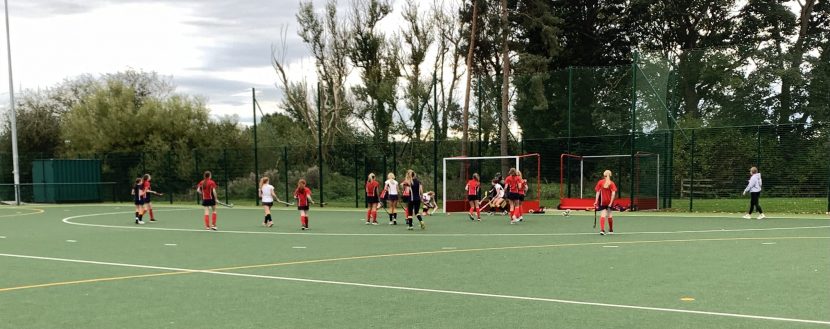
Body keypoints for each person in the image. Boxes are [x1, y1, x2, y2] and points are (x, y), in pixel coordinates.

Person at [594, 170, 617, 235]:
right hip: (609, 201)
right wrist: (610, 203)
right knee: (609, 215)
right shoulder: (612, 183)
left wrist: (596, 201)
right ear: (610, 175)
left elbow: (597, 192)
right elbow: (613, 194)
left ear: (604, 175)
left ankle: (602, 230)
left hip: (603, 201)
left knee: (603, 214)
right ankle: (611, 230)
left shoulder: (600, 182)